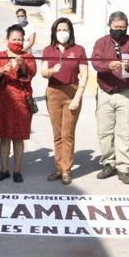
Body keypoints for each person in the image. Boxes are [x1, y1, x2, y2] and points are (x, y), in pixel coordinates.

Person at [90, 11, 129, 185]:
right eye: (116, 27)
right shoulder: (101, 43)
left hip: (125, 93)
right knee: (104, 131)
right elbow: (96, 62)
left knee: (125, 132)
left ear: (127, 26)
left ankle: (124, 167)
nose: (119, 30)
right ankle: (108, 163)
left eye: (122, 27)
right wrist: (108, 66)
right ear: (109, 26)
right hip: (105, 92)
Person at [40, 17, 87, 185]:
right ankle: (59, 168)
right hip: (53, 92)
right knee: (57, 134)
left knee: (68, 134)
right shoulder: (48, 49)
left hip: (72, 92)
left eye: (65, 30)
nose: (62, 33)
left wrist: (77, 97)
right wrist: (52, 70)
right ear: (54, 32)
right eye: (59, 30)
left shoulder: (78, 50)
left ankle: (66, 170)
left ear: (70, 31)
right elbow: (43, 72)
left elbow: (84, 75)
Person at [0, 24, 36, 183]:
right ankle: (4, 169)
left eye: (20, 39)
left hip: (21, 100)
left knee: (18, 137)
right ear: (7, 39)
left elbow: (29, 75)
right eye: (14, 39)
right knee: (4, 137)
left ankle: (17, 170)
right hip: (2, 100)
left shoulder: (28, 57)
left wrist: (22, 66)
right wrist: (1, 70)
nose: (18, 42)